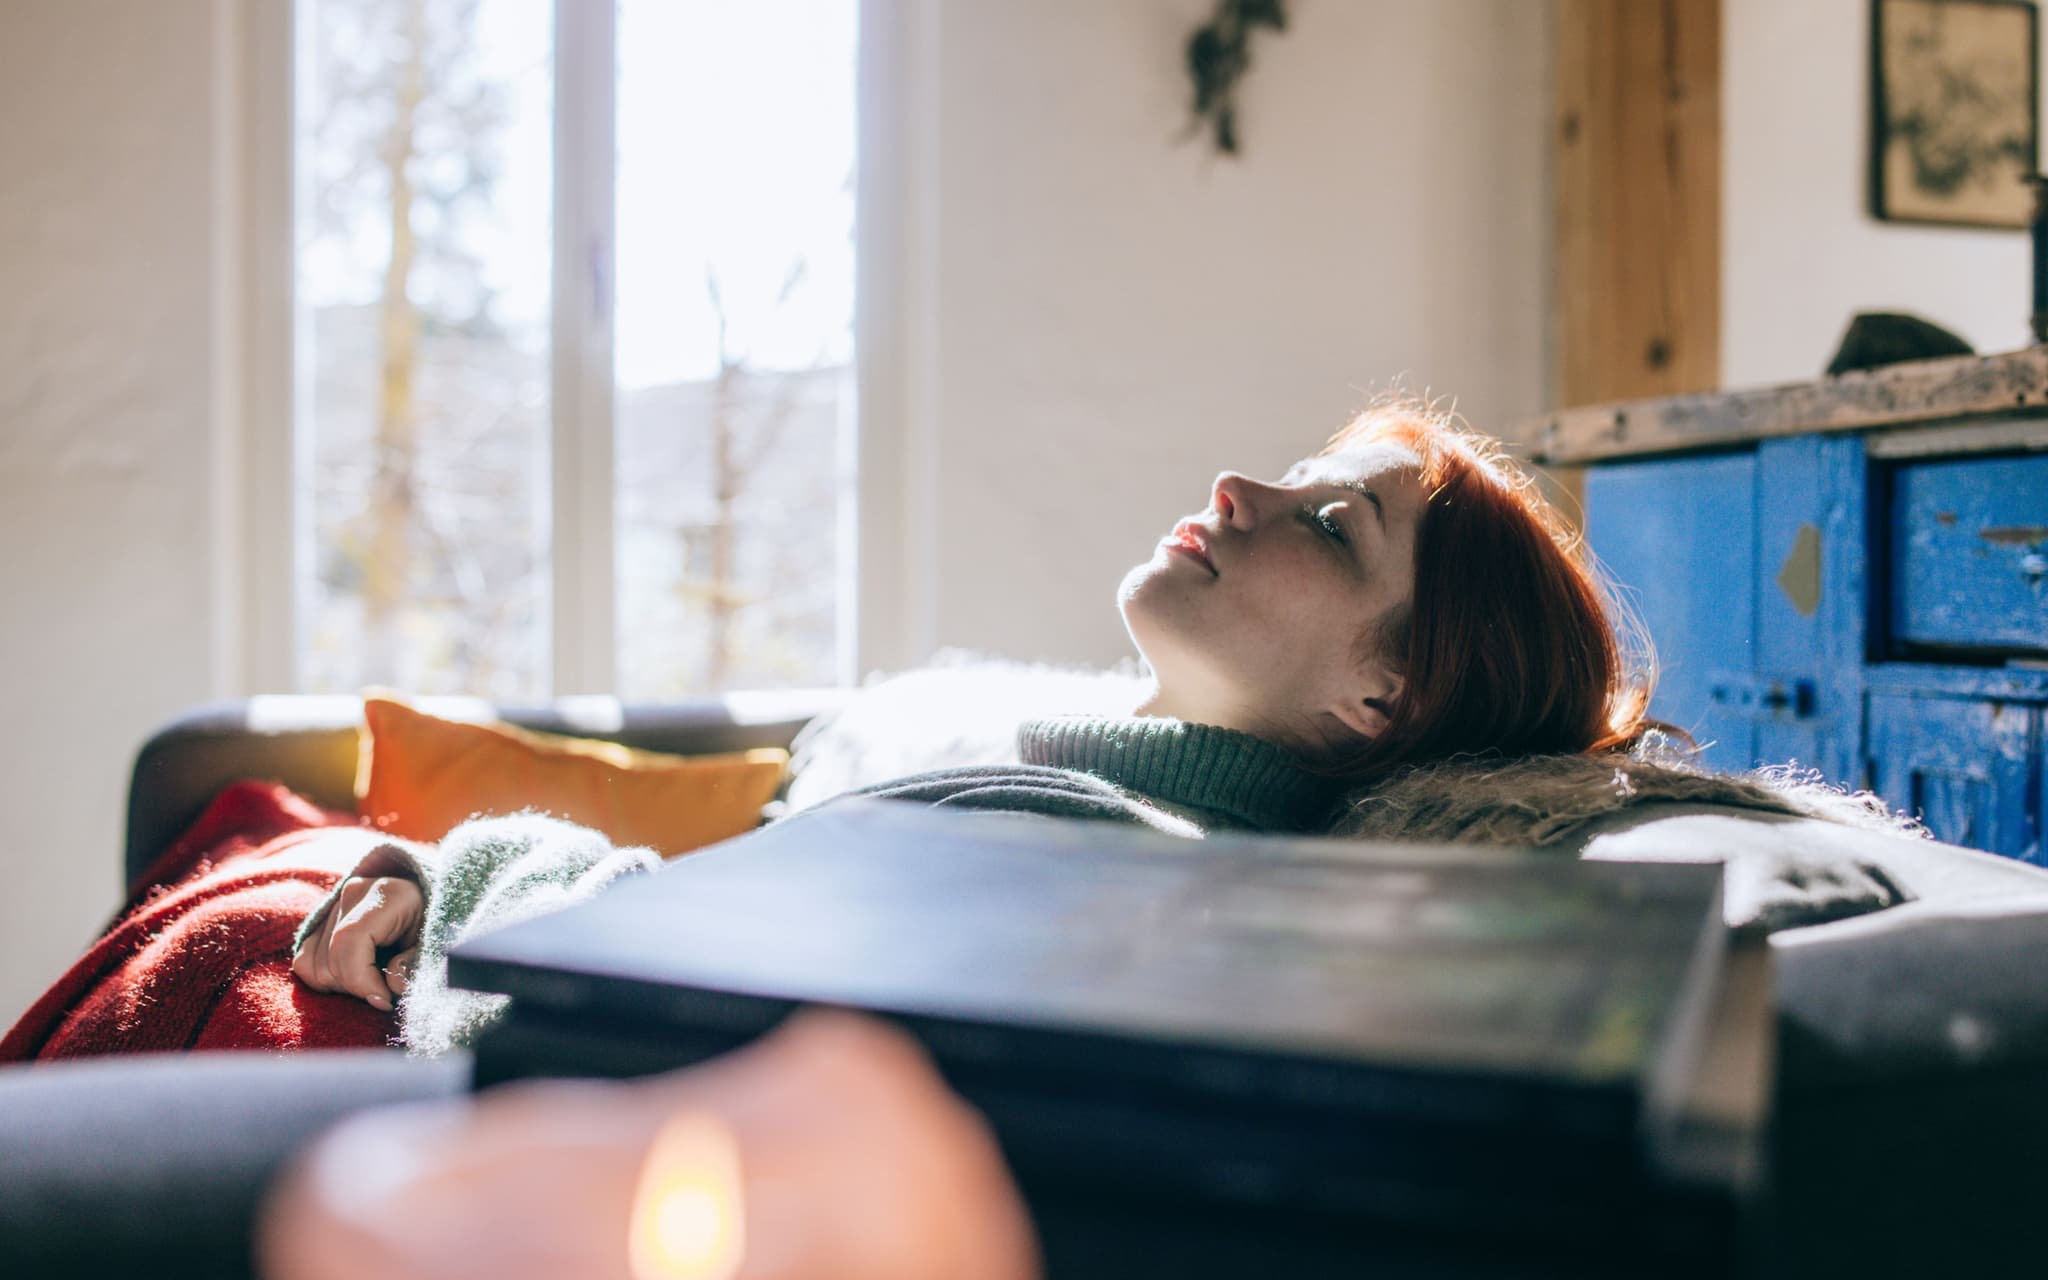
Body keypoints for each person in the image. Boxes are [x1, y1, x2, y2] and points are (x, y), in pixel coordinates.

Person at [290, 395, 1660, 1042]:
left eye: (1330, 522)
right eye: (1295, 472)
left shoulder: (1092, 856)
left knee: (260, 875)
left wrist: (450, 870)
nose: (1239, 482)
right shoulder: (1063, 799)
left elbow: (619, 1014)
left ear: (1382, 699)